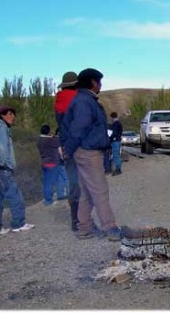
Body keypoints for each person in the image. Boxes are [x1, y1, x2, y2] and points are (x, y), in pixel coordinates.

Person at [61, 68, 121, 241]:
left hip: (84, 150)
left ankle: (84, 227)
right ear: (93, 82)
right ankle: (110, 227)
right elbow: (79, 128)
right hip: (88, 152)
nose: (101, 85)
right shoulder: (84, 102)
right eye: (99, 82)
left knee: (87, 192)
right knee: (100, 190)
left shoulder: (83, 100)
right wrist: (68, 150)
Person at [0, 106, 34, 236]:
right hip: (1, 168)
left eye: (13, 114)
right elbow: (2, 149)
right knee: (14, 194)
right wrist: (9, 165)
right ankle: (19, 223)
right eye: (9, 114)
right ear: (2, 116)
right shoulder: (1, 128)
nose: (13, 117)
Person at [55, 71, 81, 231]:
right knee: (86, 183)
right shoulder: (77, 99)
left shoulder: (58, 100)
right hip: (79, 146)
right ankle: (83, 219)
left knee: (73, 182)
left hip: (66, 146)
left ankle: (74, 220)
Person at [36, 124, 64, 205]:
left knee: (46, 182)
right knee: (51, 183)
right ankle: (49, 201)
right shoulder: (52, 140)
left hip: (44, 162)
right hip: (52, 162)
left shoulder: (40, 140)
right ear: (48, 131)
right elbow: (59, 150)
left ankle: (46, 198)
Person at [109, 112, 123, 176]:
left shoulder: (115, 124)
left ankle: (118, 169)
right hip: (118, 140)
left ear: (112, 117)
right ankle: (118, 168)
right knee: (117, 155)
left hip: (115, 141)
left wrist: (109, 137)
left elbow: (113, 133)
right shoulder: (119, 123)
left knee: (116, 155)